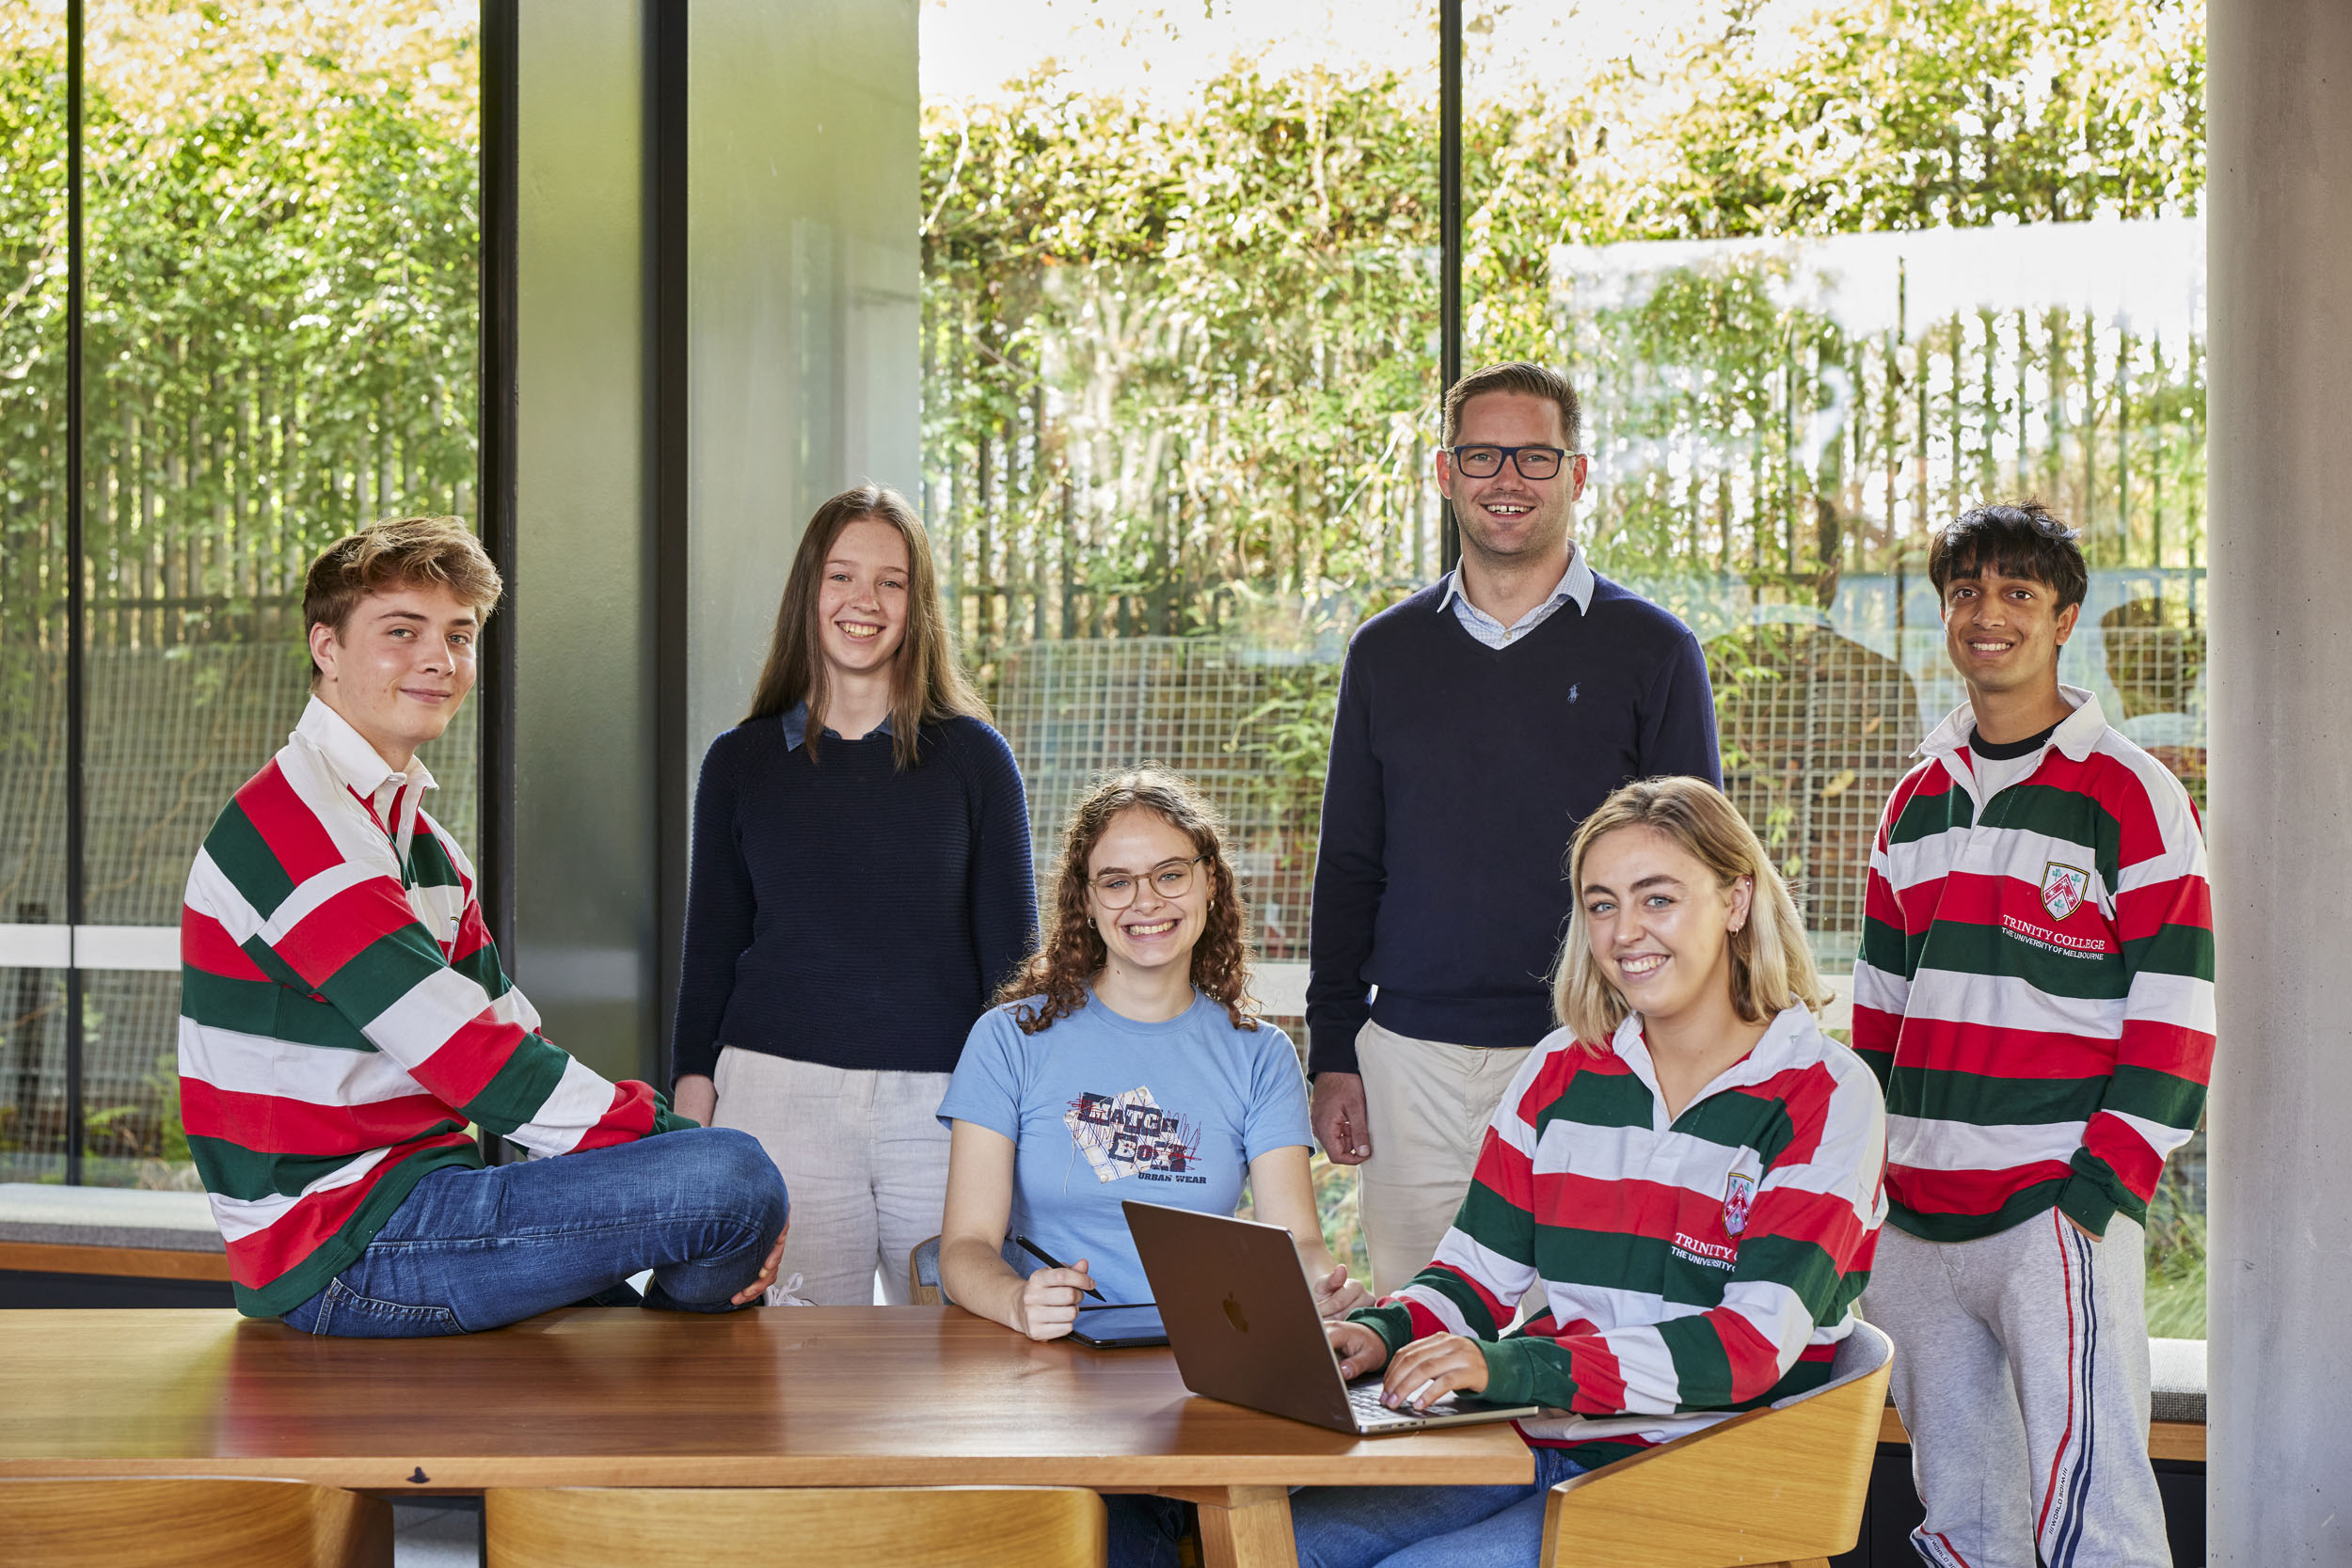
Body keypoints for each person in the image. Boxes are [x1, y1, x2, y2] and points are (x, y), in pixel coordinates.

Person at [179, 515, 788, 1335]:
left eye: (459, 636)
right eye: (403, 631)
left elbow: (506, 1032)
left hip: (433, 1201)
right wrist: (677, 1150)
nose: (440, 658)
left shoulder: (423, 848)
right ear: (327, 648)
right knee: (734, 1181)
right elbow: (479, 1067)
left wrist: (671, 1159)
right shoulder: (294, 828)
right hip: (341, 1249)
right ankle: (667, 1349)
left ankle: (662, 1349)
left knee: (717, 1188)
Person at [1291, 776, 1886, 1568]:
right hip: (1551, 1440)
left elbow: (1747, 1348)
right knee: (1288, 1544)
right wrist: (1376, 1333)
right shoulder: (1561, 1071)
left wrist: (1509, 1365)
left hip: (1706, 1477)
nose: (1625, 932)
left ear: (1736, 899)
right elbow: (1474, 1276)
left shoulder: (1827, 1093)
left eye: (1658, 898)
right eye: (1602, 904)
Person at [1308, 360, 1723, 1293]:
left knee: (1578, 1350)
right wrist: (1332, 1051)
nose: (1507, 478)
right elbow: (1350, 866)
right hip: (1408, 1065)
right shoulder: (1385, 651)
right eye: (1483, 454)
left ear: (1577, 474)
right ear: (1443, 472)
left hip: (1593, 1050)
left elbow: (1691, 879)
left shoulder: (1653, 650)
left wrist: (1683, 1052)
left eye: (1535, 456)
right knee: (1421, 1347)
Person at [1852, 501, 2213, 1568]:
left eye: (2016, 591)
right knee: (1963, 1515)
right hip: (1914, 1225)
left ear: (2063, 617)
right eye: (1966, 591)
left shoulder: (2132, 796)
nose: (1987, 613)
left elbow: (2178, 1008)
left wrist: (2099, 1189)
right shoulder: (1914, 800)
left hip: (2055, 1211)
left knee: (2094, 1510)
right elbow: (1878, 1010)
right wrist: (1866, 1177)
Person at [672, 484, 1036, 1306]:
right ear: (810, 592)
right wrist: (690, 1106)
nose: (862, 602)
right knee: (791, 1374)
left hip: (945, 1107)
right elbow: (710, 951)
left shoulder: (976, 761)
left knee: (957, 1370)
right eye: (841, 576)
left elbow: (1016, 972)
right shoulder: (740, 763)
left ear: (918, 605)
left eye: (891, 582)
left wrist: (1021, 1121)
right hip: (776, 1097)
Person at [937, 768, 1366, 1331]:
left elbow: (1300, 1242)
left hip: (1204, 1354)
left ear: (1210, 881)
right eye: (1117, 882)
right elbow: (963, 1249)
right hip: (1043, 1355)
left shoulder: (1263, 1057)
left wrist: (1325, 1289)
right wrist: (1018, 1302)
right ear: (1086, 901)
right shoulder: (1008, 1039)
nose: (1145, 901)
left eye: (1169, 875)